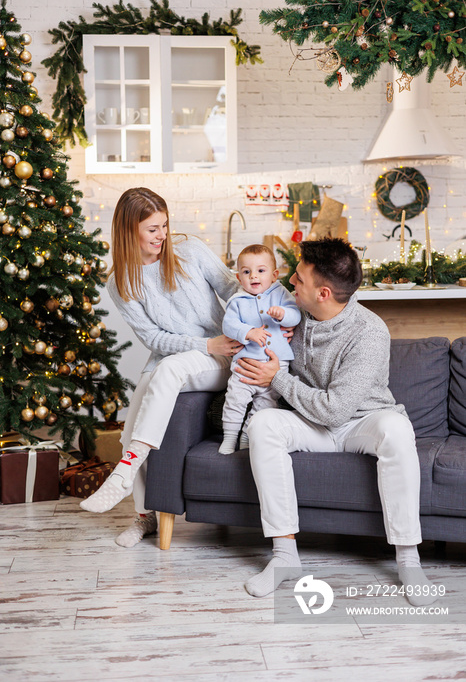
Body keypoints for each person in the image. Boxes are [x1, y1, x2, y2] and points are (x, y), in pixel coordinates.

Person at [236, 238, 436, 607]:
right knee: (264, 424)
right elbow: (245, 296)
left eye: (298, 279)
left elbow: (335, 411)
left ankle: (409, 560)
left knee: (396, 429)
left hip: (362, 421)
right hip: (310, 422)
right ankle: (284, 557)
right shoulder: (292, 316)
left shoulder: (369, 332)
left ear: (323, 292)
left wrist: (276, 378)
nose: (290, 284)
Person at [80, 187, 243, 547]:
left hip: (224, 354)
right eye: (152, 229)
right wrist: (201, 344)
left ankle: (123, 476)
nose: (162, 235)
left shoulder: (191, 252)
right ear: (129, 231)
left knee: (169, 371)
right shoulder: (120, 281)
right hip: (184, 355)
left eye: (165, 226)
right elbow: (153, 338)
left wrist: (258, 314)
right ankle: (144, 517)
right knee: (129, 431)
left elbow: (234, 287)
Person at [219, 244, 301, 454]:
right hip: (246, 363)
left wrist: (283, 314)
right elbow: (229, 325)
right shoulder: (237, 301)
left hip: (277, 364)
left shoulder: (281, 294)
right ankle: (229, 438)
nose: (253, 276)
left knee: (266, 404)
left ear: (274, 275)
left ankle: (248, 435)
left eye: (261, 271)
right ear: (239, 277)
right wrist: (248, 332)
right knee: (235, 400)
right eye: (246, 272)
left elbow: (295, 314)